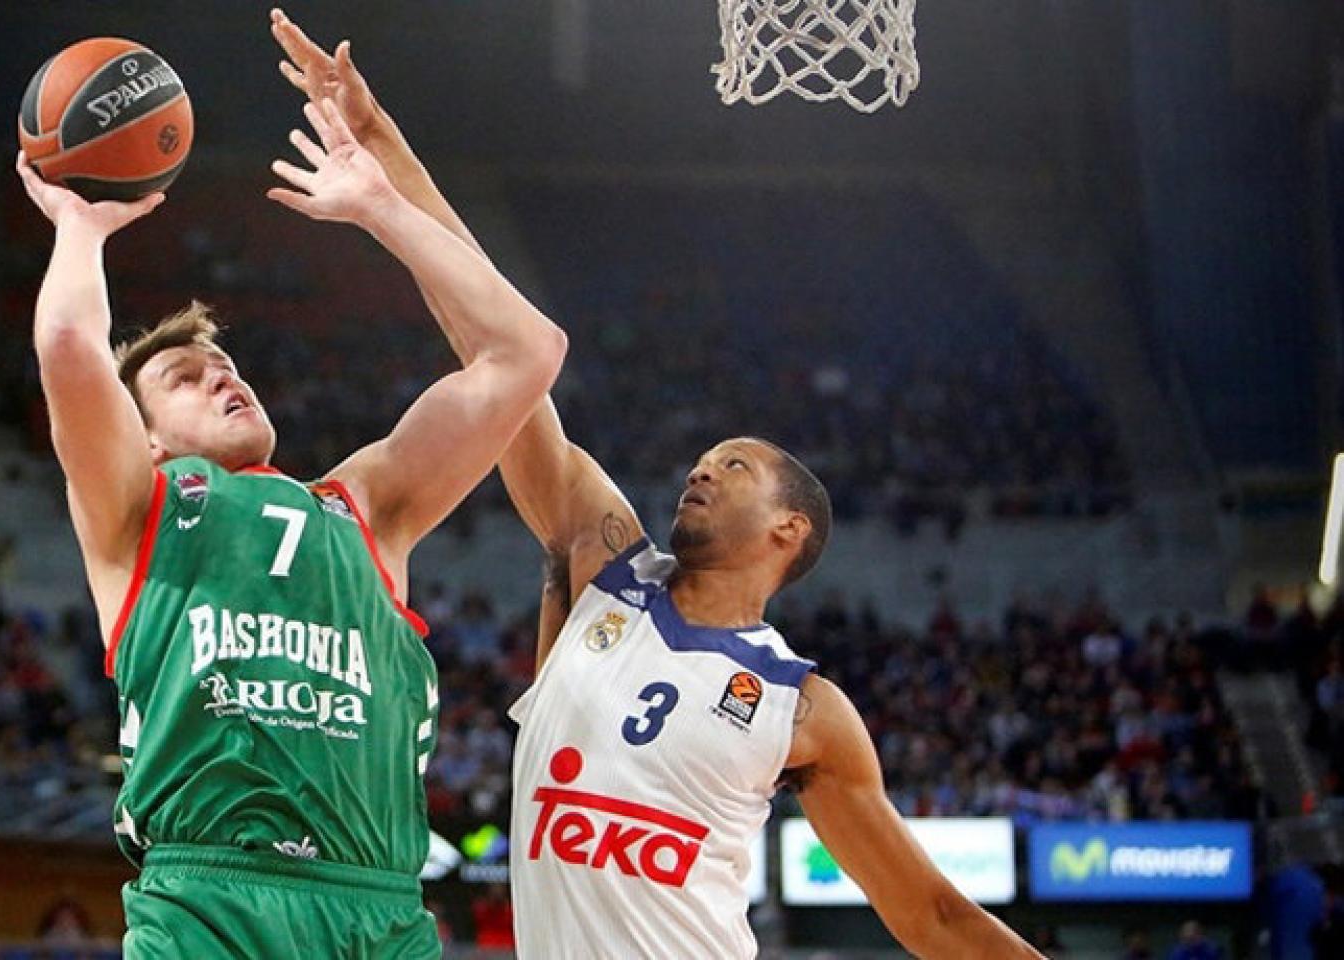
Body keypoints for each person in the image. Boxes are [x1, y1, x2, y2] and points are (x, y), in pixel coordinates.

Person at [270, 11, 1041, 957]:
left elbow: (930, 917)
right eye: (705, 456)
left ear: (790, 530)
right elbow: (496, 353)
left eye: (737, 464)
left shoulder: (805, 708)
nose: (703, 468)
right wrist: (383, 146)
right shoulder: (605, 566)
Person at [18, 42, 568, 959]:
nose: (225, 380)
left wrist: (382, 207)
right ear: (145, 439)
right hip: (208, 903)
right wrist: (80, 225)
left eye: (227, 366)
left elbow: (527, 353)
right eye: (190, 379)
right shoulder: (136, 509)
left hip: (379, 910)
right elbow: (72, 343)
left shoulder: (367, 507)